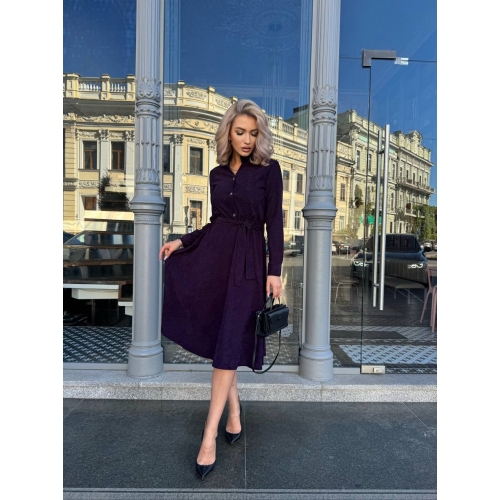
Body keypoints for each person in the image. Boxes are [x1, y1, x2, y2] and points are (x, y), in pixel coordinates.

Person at [158, 99, 284, 480]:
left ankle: (208, 435)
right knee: (223, 342)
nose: (247, 140)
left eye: (253, 133)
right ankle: (234, 412)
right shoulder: (215, 174)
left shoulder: (269, 170)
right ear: (228, 132)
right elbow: (215, 224)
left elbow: (274, 225)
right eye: (240, 132)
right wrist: (182, 241)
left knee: (228, 343)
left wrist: (274, 272)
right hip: (216, 259)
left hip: (247, 266)